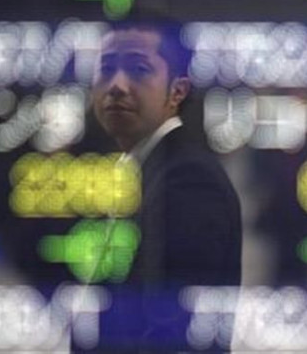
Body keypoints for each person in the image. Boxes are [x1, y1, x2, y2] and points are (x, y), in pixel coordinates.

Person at [91, 21, 242, 288]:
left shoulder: (190, 180)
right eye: (106, 69)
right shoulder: (138, 169)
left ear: (177, 92)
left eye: (139, 70)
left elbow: (169, 318)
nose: (117, 85)